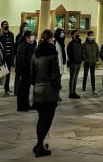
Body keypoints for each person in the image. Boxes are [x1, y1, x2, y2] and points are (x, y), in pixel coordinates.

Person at [31, 29, 61, 157]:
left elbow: (31, 75)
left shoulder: (35, 55)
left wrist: (36, 84)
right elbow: (55, 75)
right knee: (47, 119)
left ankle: (38, 144)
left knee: (41, 118)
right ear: (50, 39)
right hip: (49, 92)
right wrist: (57, 88)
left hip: (37, 90)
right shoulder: (52, 55)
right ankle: (39, 146)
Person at [15, 30, 36, 111]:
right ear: (27, 37)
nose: (33, 37)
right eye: (31, 35)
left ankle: (26, 104)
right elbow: (22, 60)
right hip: (24, 71)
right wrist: (26, 69)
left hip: (28, 70)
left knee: (26, 89)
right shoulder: (23, 46)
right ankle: (21, 106)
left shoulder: (29, 45)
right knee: (23, 89)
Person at [14, 22, 30, 95]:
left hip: (26, 60)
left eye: (27, 26)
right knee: (17, 76)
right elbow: (17, 45)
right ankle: (16, 91)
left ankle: (22, 90)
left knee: (24, 76)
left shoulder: (29, 37)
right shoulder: (18, 36)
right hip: (19, 59)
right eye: (24, 26)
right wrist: (23, 35)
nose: (26, 28)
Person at [81, 31, 99, 97]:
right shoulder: (84, 44)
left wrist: (96, 60)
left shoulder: (95, 44)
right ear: (88, 36)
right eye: (91, 35)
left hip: (93, 63)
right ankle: (83, 91)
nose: (92, 36)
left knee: (93, 76)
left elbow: (97, 52)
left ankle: (94, 90)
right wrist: (86, 60)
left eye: (93, 35)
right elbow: (83, 54)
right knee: (85, 77)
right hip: (87, 63)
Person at [0, 20, 15, 96]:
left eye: (7, 24)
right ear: (2, 26)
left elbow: (13, 46)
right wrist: (1, 34)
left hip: (9, 57)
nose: (6, 25)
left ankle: (7, 89)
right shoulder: (0, 34)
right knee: (2, 74)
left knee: (8, 74)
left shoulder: (11, 34)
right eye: (4, 24)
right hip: (2, 59)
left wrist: (13, 58)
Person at [66, 30, 82, 99]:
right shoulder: (71, 43)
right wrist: (72, 61)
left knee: (75, 78)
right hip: (73, 63)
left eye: (78, 33)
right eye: (76, 34)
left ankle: (74, 92)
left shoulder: (79, 43)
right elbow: (69, 53)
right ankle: (71, 93)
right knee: (72, 78)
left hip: (78, 62)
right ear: (72, 35)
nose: (77, 34)